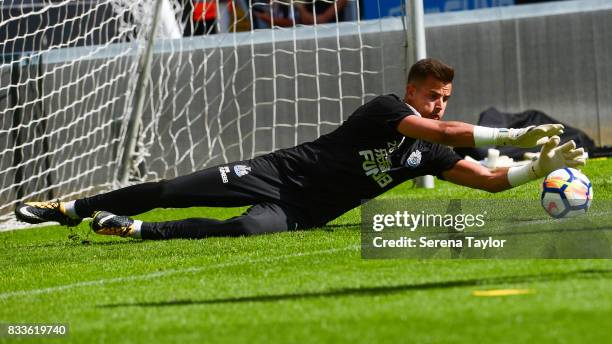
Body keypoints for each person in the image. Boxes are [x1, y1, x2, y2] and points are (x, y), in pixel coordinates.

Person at [15, 58, 585, 240]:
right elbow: (441, 133)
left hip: (304, 211)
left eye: (446, 98)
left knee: (244, 232)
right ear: (413, 91)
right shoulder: (388, 110)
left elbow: (484, 181)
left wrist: (539, 167)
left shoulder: (429, 153)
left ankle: (135, 230)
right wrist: (509, 136)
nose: (439, 104)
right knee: (172, 188)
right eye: (433, 96)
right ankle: (69, 208)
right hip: (276, 173)